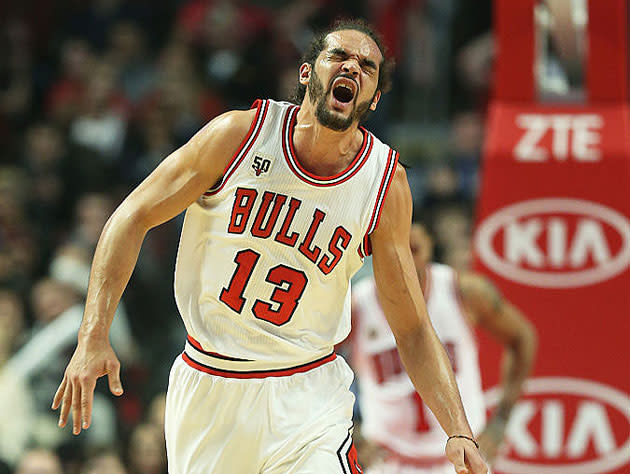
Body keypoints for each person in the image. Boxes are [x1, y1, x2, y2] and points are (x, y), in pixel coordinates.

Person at [52, 19, 488, 474]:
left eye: (367, 67)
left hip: (307, 394)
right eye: (339, 56)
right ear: (306, 73)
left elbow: (413, 326)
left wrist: (458, 429)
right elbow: (131, 216)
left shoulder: (384, 183)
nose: (353, 68)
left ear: (374, 99)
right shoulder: (238, 135)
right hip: (210, 385)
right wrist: (93, 335)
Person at [351, 223, 537, 473]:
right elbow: (317, 361)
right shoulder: (356, 304)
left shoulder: (463, 290)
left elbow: (522, 337)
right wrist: (352, 431)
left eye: (413, 249)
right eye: (396, 248)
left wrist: (501, 421)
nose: (405, 257)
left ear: (428, 247)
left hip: (462, 460)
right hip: (388, 461)